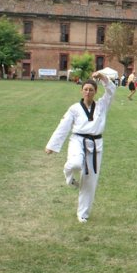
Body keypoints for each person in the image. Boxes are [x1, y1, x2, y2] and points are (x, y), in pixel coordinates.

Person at [45, 71, 116, 223]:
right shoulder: (74, 108)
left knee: (90, 181)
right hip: (78, 141)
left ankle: (82, 214)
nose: (88, 92)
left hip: (96, 145)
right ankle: (69, 176)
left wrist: (102, 77)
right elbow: (63, 126)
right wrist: (52, 145)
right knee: (75, 163)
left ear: (95, 92)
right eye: (86, 89)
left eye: (91, 90)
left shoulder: (102, 105)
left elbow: (111, 90)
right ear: (81, 90)